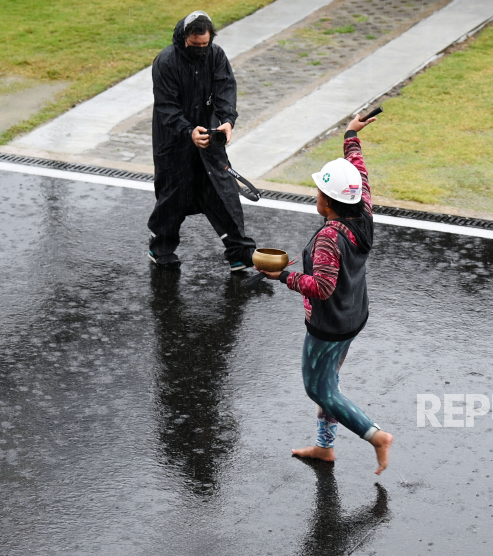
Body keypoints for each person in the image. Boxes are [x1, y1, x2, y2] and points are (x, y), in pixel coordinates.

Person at [259, 114, 394, 474]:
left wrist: (282, 276)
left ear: (328, 202)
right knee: (330, 381)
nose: (315, 194)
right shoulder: (362, 211)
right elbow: (359, 171)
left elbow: (321, 287)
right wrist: (351, 133)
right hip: (353, 316)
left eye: (319, 190)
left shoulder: (328, 239)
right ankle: (324, 448)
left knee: (320, 389)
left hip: (329, 325)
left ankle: (375, 435)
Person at [147, 10, 256, 270]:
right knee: (173, 195)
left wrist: (227, 121)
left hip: (208, 137)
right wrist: (188, 131)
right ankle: (160, 247)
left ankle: (240, 252)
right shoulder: (166, 61)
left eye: (204, 45)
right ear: (185, 38)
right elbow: (166, 106)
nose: (200, 50)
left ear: (211, 40)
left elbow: (226, 90)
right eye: (195, 45)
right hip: (173, 141)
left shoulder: (216, 56)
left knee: (223, 191)